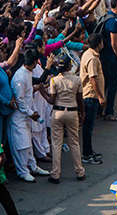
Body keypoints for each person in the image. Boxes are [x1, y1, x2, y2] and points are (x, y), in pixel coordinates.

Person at [9, 50, 50, 182]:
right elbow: (20, 100)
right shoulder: (20, 77)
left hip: (26, 115)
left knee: (29, 144)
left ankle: (33, 166)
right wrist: (31, 113)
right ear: (33, 62)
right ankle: (23, 171)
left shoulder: (28, 73)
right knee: (22, 145)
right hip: (19, 117)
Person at [46, 54, 85, 182]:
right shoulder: (77, 79)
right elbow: (80, 99)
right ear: (69, 66)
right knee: (74, 142)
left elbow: (51, 100)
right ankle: (79, 171)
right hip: (72, 112)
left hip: (58, 112)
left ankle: (55, 173)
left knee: (56, 143)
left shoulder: (54, 80)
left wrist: (41, 91)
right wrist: (82, 113)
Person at [79, 34, 106, 164]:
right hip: (90, 96)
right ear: (99, 43)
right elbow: (92, 78)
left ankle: (89, 151)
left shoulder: (89, 54)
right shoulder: (92, 59)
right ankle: (86, 154)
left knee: (89, 127)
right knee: (88, 127)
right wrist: (100, 96)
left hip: (90, 95)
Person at [99, 0, 117, 121]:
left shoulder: (109, 16)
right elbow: (114, 43)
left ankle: (100, 110)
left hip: (106, 57)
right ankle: (108, 111)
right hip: (111, 58)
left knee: (105, 84)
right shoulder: (113, 22)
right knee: (112, 85)